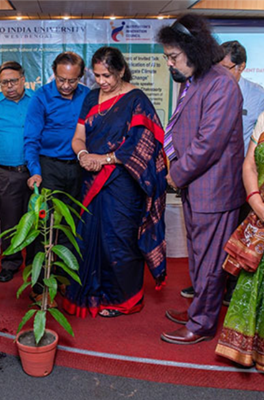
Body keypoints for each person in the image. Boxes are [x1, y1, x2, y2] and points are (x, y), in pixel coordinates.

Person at [157, 15, 245, 344]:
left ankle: (202, 324)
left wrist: (176, 174)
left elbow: (208, 144)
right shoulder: (194, 79)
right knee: (197, 254)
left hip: (214, 188)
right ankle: (199, 308)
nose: (169, 63)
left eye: (173, 56)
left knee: (209, 261)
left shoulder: (222, 84)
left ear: (194, 50)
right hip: (196, 185)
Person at [63, 47, 167, 318]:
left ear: (121, 71)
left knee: (118, 241)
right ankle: (92, 293)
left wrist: (104, 159)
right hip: (90, 180)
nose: (102, 81)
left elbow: (142, 146)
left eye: (107, 75)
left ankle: (122, 300)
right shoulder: (91, 97)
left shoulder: (136, 100)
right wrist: (83, 155)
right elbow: (78, 137)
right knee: (87, 238)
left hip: (123, 182)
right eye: (97, 76)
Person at [180, 40, 264, 303]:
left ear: (241, 67)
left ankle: (231, 289)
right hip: (209, 175)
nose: (218, 73)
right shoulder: (205, 90)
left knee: (237, 234)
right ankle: (205, 287)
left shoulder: (259, 97)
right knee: (208, 238)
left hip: (243, 178)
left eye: (225, 67)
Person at [215, 71, 264, 374]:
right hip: (263, 218)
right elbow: (250, 165)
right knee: (259, 285)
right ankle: (257, 350)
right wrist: (255, 202)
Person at [24, 52, 90, 299]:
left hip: (78, 168)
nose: (65, 85)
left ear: (80, 77)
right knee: (45, 226)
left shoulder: (87, 96)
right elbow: (31, 138)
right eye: (61, 79)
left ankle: (62, 280)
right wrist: (35, 171)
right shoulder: (41, 96)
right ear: (54, 73)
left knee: (70, 227)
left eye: (72, 81)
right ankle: (39, 287)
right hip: (49, 168)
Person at [0, 61, 33, 283]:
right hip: (3, 173)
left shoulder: (36, 101)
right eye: (4, 83)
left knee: (34, 220)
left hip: (33, 172)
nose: (9, 86)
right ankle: (10, 263)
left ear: (23, 80)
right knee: (9, 222)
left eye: (13, 81)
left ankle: (34, 264)